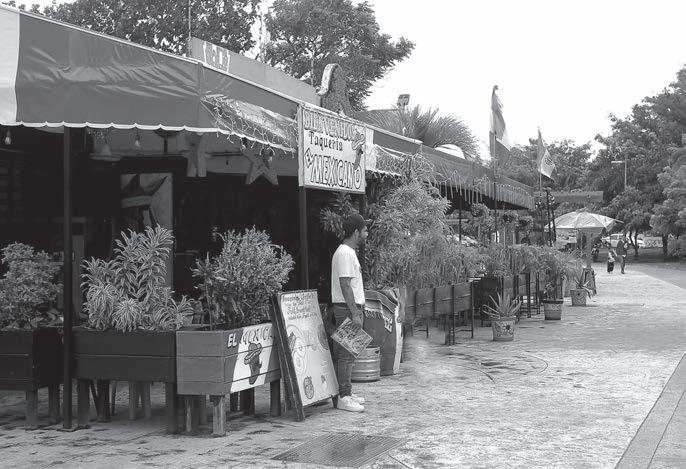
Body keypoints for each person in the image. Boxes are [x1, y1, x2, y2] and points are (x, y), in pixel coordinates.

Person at [330, 213, 368, 412]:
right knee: (346, 354)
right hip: (347, 309)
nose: (366, 234)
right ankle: (343, 396)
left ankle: (346, 392)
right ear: (355, 232)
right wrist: (355, 313)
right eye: (364, 230)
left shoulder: (348, 252)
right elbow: (345, 285)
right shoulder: (345, 253)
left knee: (349, 353)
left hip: (350, 308)